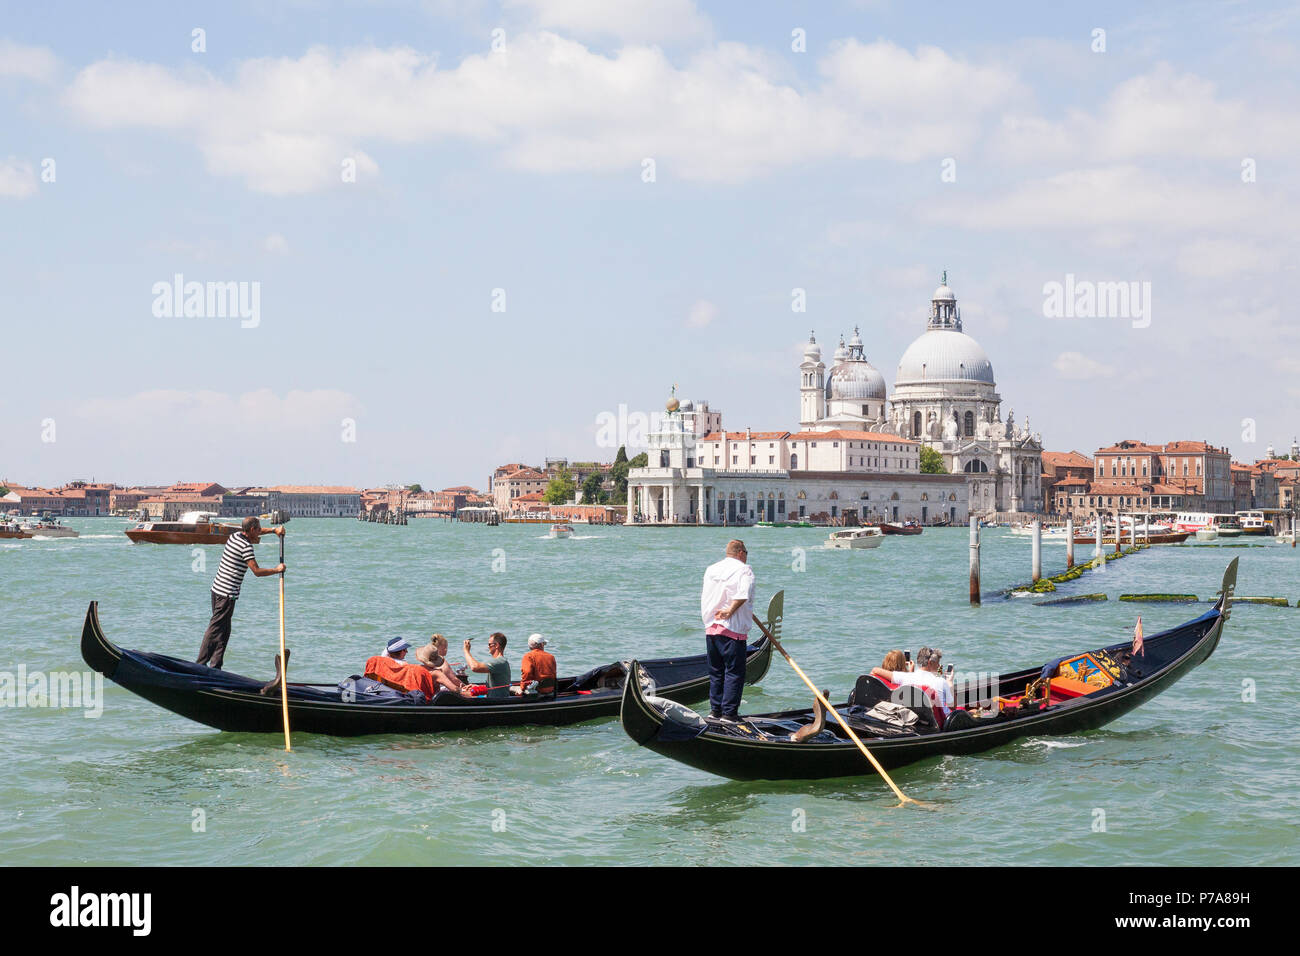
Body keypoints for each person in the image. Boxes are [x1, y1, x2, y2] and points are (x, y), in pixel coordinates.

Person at [196, 516, 285, 669]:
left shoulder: (234, 536)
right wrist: (277, 570)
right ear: (251, 530)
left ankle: (216, 666)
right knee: (216, 628)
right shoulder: (246, 547)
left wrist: (273, 530)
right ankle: (199, 665)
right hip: (227, 594)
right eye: (257, 530)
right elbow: (256, 571)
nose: (259, 533)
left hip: (216, 589)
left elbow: (257, 532)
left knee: (224, 630)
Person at [700, 539, 754, 722]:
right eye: (746, 553)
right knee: (734, 672)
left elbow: (711, 596)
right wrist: (731, 610)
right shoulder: (743, 569)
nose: (747, 557)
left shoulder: (711, 569)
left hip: (711, 629)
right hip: (732, 629)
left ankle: (715, 712)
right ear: (740, 553)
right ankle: (729, 714)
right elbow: (743, 594)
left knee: (716, 672)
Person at [870, 645, 954, 710]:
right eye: (937, 663)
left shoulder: (905, 677)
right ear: (930, 663)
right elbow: (952, 706)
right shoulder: (941, 681)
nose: (939, 666)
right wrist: (950, 682)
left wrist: (909, 671)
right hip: (938, 722)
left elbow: (875, 670)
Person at [463, 632, 511, 699]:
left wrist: (466, 651)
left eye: (489, 644)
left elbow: (474, 667)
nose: (488, 647)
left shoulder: (500, 661)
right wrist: (477, 687)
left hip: (497, 701)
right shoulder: (500, 662)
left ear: (496, 645)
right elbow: (495, 686)